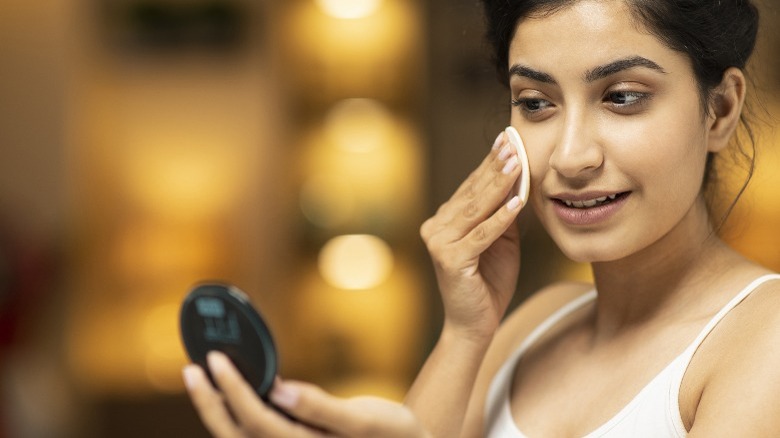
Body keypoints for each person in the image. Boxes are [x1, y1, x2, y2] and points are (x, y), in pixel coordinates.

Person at [182, 0, 780, 436]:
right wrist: (465, 331)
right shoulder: (533, 329)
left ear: (720, 109)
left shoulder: (763, 339)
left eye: (622, 96)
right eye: (536, 104)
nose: (570, 157)